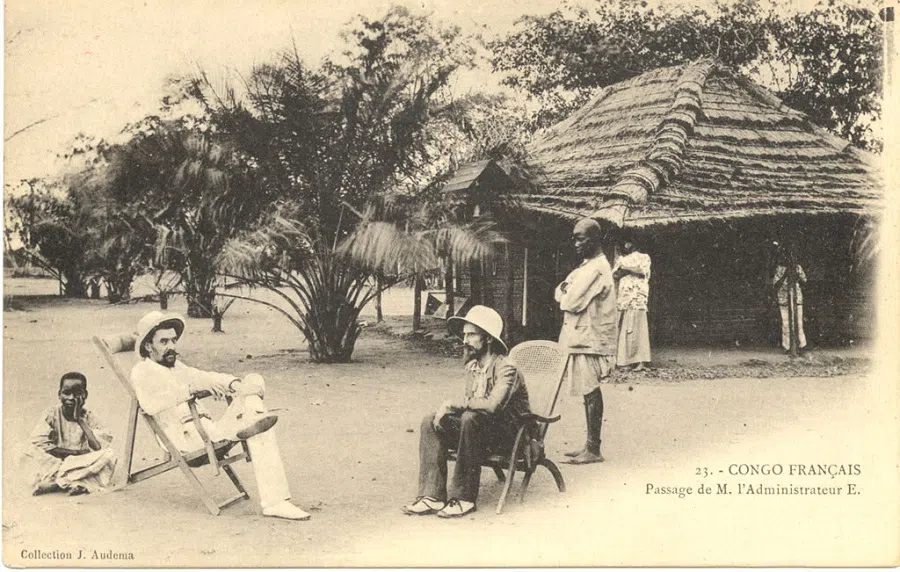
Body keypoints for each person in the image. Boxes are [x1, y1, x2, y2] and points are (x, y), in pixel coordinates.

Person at [130, 310, 310, 521]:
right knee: (258, 426)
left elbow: (205, 377)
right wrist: (190, 391)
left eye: (173, 340)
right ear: (148, 346)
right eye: (164, 342)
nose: (171, 347)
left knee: (253, 381)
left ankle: (254, 420)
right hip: (189, 440)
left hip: (209, 431)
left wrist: (232, 384)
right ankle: (275, 501)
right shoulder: (142, 373)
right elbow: (150, 406)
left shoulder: (176, 366)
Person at [401, 305, 530, 519]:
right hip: (479, 433)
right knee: (430, 420)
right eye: (464, 335)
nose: (465, 340)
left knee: (469, 418)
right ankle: (431, 496)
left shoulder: (507, 367)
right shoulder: (473, 366)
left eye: (471, 335)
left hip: (509, 437)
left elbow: (491, 406)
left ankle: (464, 498)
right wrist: (446, 414)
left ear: (488, 338)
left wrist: (454, 404)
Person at [556, 218, 617, 465]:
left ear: (595, 239)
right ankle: (589, 445)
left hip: (590, 339)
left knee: (590, 390)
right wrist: (564, 290)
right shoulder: (587, 266)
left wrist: (564, 292)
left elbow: (569, 301)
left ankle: (593, 448)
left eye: (580, 238)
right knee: (587, 391)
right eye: (575, 237)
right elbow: (560, 291)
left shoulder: (595, 269)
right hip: (583, 337)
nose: (575, 243)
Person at [22, 372, 117, 496]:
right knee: (22, 449)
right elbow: (39, 442)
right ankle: (74, 481)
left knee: (109, 455)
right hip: (56, 462)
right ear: (59, 394)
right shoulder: (52, 414)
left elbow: (97, 447)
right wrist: (74, 453)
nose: (71, 398)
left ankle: (58, 483)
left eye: (77, 393)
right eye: (66, 393)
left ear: (85, 395)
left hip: (79, 463)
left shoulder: (90, 417)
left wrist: (79, 420)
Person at [612, 234, 652, 371]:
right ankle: (624, 361)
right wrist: (623, 270)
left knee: (638, 328)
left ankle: (640, 361)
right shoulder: (621, 259)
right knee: (624, 328)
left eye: (628, 243)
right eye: (624, 243)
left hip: (637, 297)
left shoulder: (644, 257)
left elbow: (642, 271)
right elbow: (615, 275)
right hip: (624, 297)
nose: (625, 246)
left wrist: (626, 269)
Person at [772, 249, 808, 352]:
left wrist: (797, 276)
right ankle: (787, 346)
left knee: (799, 322)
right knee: (786, 323)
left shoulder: (798, 268)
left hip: (797, 298)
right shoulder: (779, 269)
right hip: (784, 298)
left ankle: (801, 345)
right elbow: (775, 285)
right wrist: (785, 275)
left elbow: (805, 281)